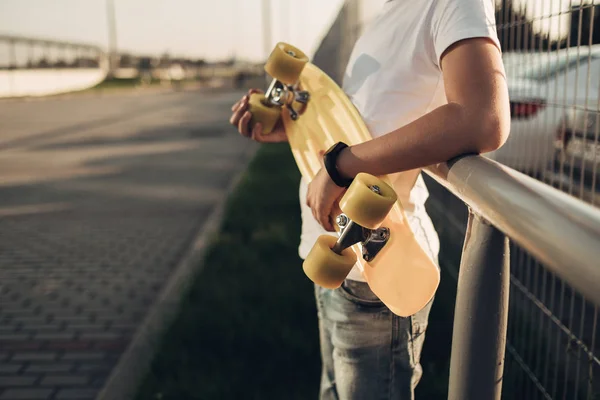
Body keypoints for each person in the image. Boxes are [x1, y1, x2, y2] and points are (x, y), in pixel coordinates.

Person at [229, 0, 509, 398]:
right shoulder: (387, 14)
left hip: (379, 272)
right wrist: (295, 130)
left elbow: (483, 118)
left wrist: (341, 166)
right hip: (331, 256)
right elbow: (364, 124)